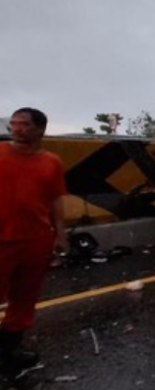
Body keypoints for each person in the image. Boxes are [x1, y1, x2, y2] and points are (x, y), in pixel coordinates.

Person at [0, 108, 67, 375]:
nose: (17, 128)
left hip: (35, 240)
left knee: (24, 300)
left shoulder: (51, 162)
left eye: (24, 124)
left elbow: (55, 199)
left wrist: (60, 233)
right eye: (14, 123)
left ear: (41, 130)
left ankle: (7, 351)